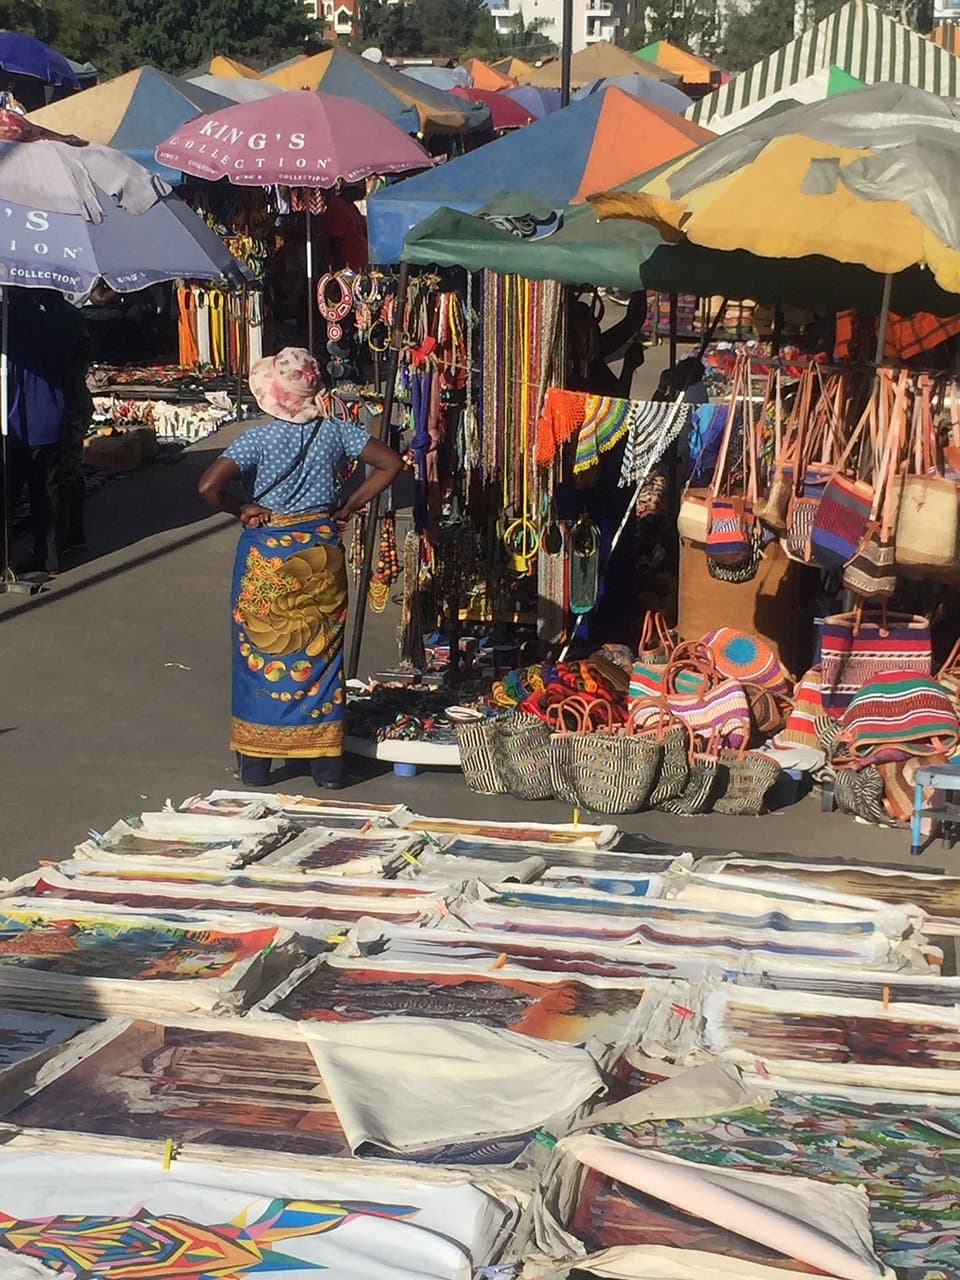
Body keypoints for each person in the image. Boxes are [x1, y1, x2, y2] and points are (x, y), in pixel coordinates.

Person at [198, 347, 403, 790]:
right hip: (320, 551)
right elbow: (391, 462)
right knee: (320, 656)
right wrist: (349, 505)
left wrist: (241, 509)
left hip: (266, 556)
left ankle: (255, 766)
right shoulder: (336, 433)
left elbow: (209, 486)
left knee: (260, 655)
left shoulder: (256, 439)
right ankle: (326, 769)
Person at [4, 290, 84, 574]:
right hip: (50, 417)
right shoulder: (62, 323)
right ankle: (49, 557)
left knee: (9, 495)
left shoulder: (10, 326)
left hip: (15, 423)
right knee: (46, 493)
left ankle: (5, 557)